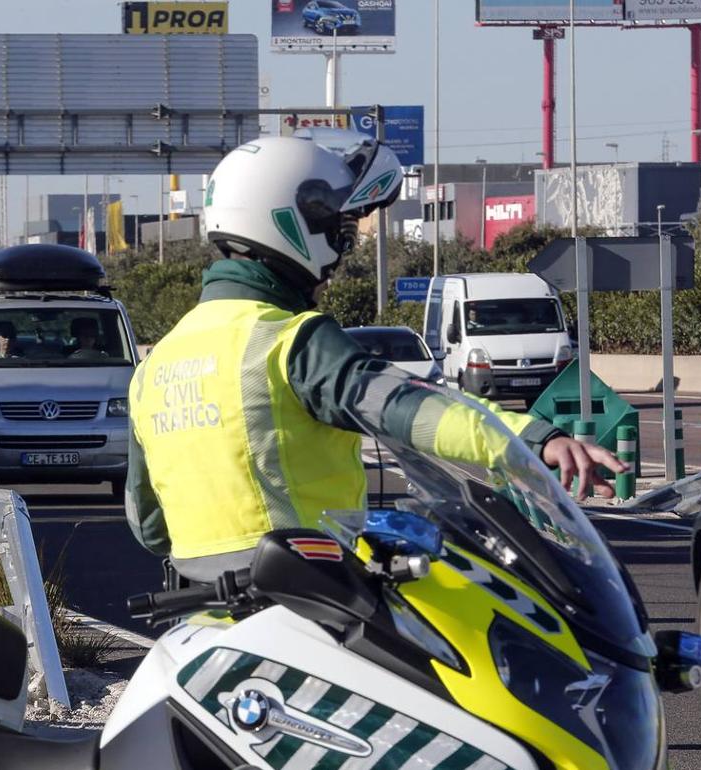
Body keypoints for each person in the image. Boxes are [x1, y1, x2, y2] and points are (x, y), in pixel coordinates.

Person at [126, 134, 625, 582]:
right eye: (340, 233)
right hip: (310, 600)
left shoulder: (155, 367)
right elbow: (408, 408)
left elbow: (148, 525)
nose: (341, 253)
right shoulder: (286, 340)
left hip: (203, 615)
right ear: (293, 226)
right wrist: (529, 439)